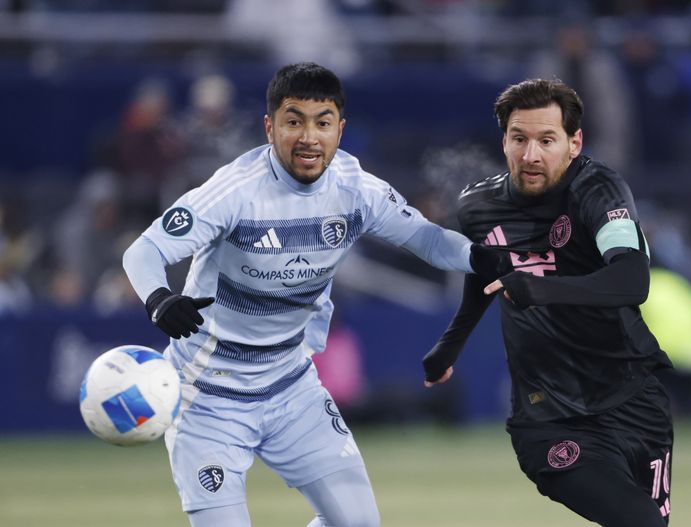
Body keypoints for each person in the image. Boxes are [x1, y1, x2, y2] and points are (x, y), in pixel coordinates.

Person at [122, 62, 502, 527]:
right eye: (294, 120)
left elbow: (425, 238)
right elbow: (144, 251)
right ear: (270, 127)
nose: (308, 137)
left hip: (291, 389)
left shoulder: (356, 189)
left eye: (322, 122)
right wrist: (159, 299)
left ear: (340, 129)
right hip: (207, 399)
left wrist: (479, 257)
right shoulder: (235, 191)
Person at [422, 79, 675, 526]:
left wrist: (540, 288)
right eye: (519, 139)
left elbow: (631, 280)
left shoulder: (601, 191)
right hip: (548, 415)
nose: (530, 155)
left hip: (634, 401)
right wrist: (449, 347)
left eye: (546, 140)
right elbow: (484, 274)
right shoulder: (478, 206)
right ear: (503, 141)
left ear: (574, 142)